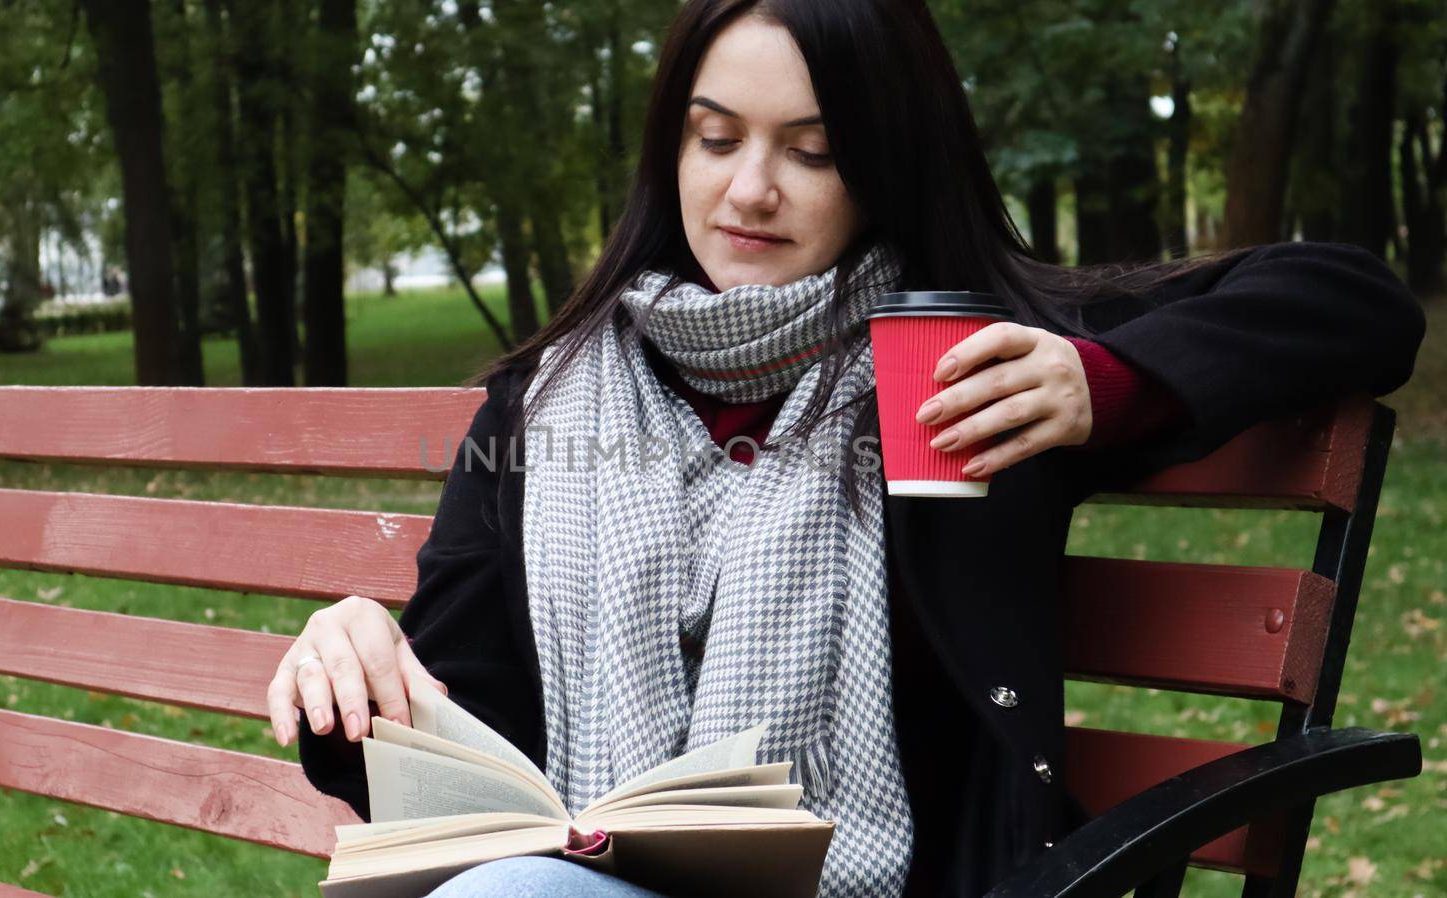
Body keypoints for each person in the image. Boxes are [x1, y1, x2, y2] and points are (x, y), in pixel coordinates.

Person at [267, 1, 1427, 895]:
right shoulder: (547, 403)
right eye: (713, 137)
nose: (748, 188)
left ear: (885, 166)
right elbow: (463, 750)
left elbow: (1350, 298)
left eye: (812, 152)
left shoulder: (961, 362)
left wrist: (1100, 384)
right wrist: (353, 670)